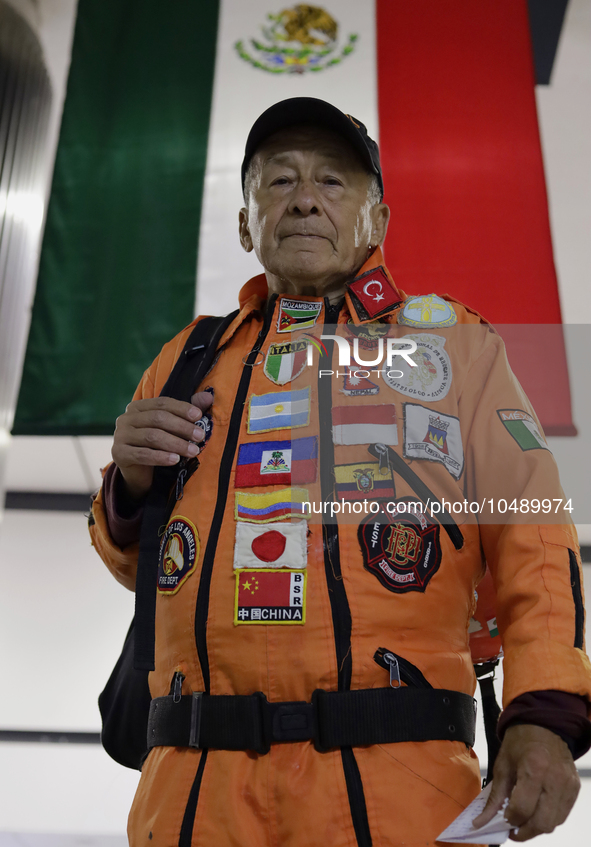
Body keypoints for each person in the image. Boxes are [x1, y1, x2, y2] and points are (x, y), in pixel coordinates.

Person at [89, 98, 591, 847]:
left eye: (332, 180)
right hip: (193, 795)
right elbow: (145, 564)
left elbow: (533, 533)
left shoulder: (455, 345)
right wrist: (128, 489)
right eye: (278, 180)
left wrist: (543, 712)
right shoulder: (184, 357)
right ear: (244, 221)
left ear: (378, 221)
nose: (303, 197)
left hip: (399, 784)